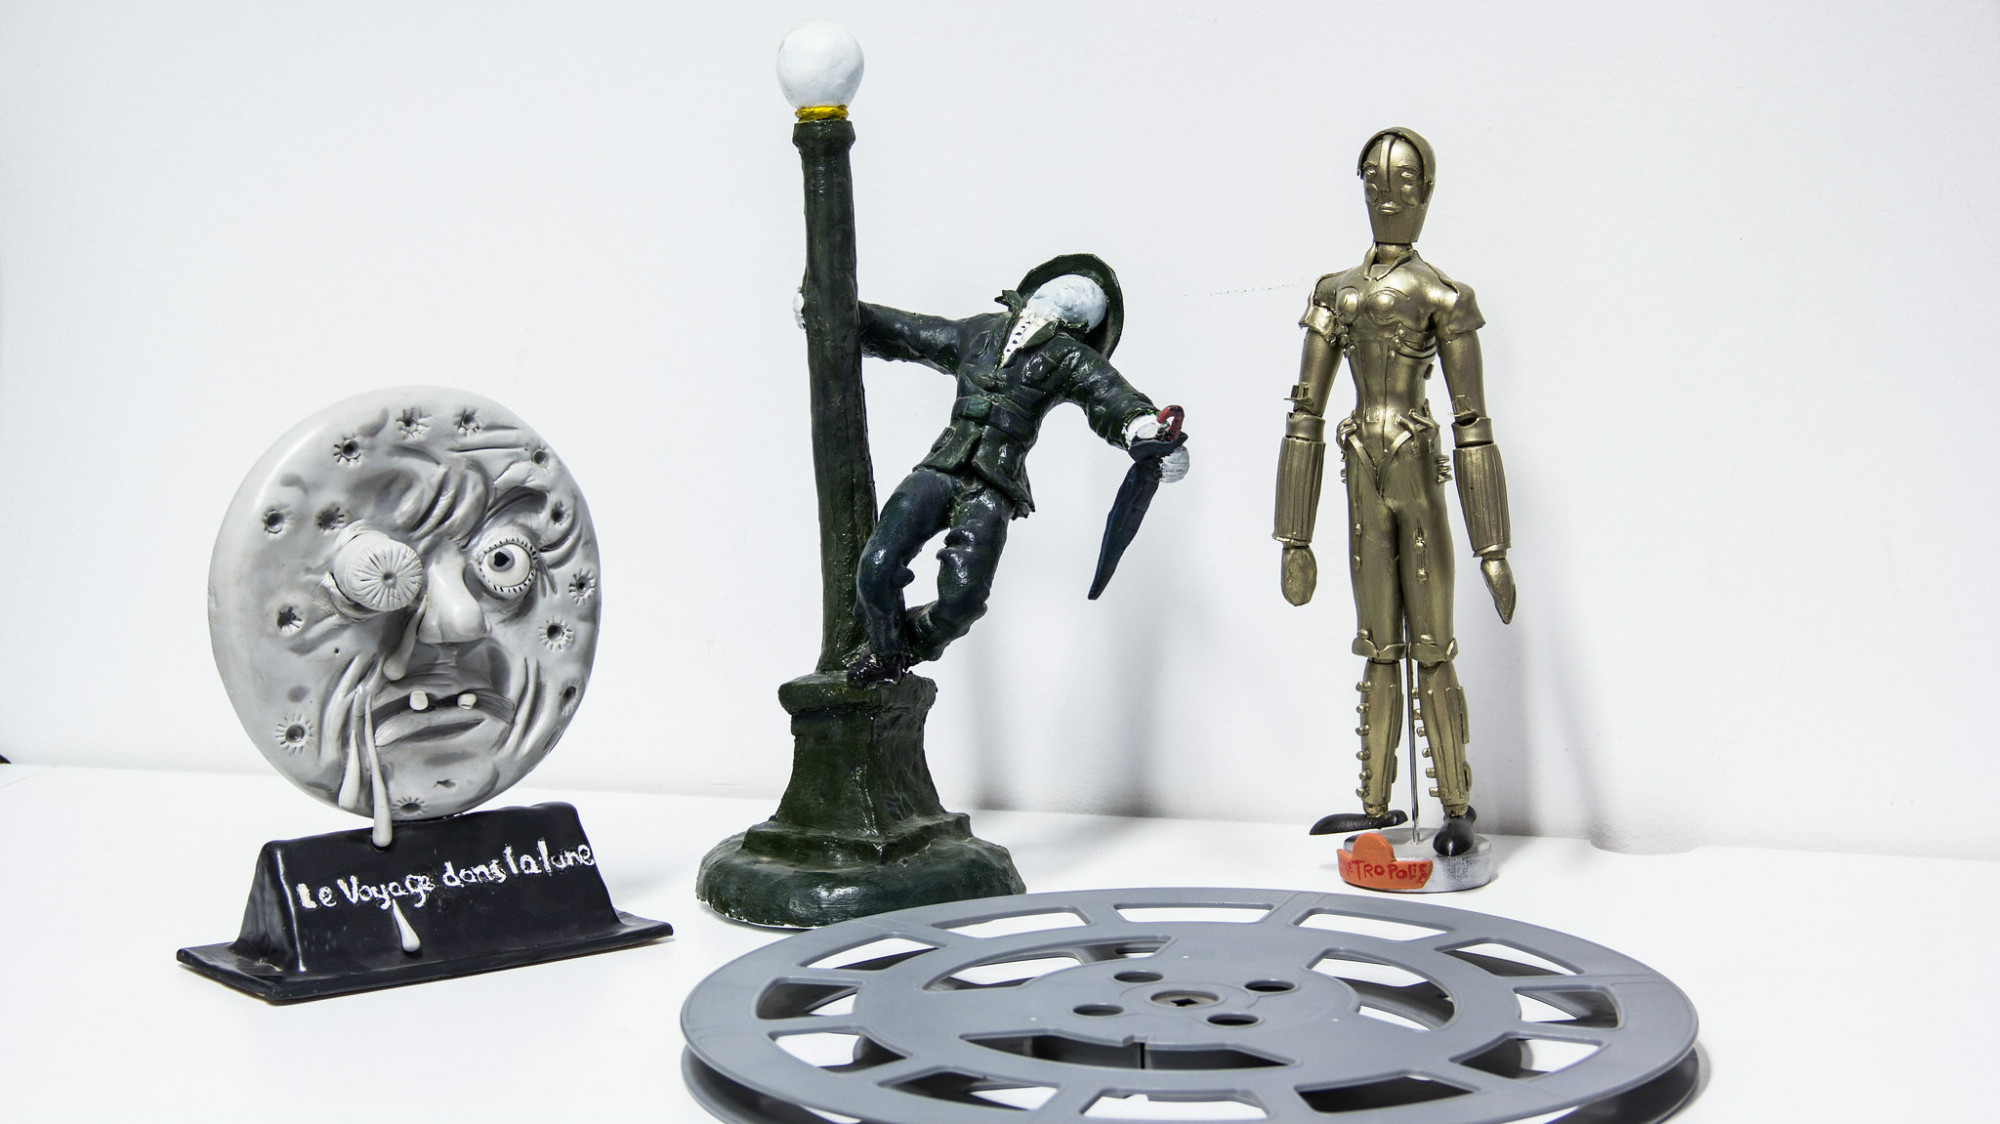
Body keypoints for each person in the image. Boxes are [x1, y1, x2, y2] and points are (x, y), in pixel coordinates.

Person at [1274, 129, 1515, 856]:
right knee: (1378, 645)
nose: (1388, 197)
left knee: (1432, 645)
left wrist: (1492, 546)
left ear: (1427, 192)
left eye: (1404, 184)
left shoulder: (1443, 295)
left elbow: (1473, 424)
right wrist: (1294, 534)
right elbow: (1305, 414)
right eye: (1375, 183)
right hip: (1362, 478)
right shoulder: (1334, 294)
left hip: (1416, 476)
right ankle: (1375, 806)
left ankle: (1456, 805)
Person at [841, 253, 1189, 685]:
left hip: (994, 483)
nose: (1072, 292)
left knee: (964, 600)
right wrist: (843, 316)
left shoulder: (1071, 357)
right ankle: (885, 657)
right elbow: (911, 332)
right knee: (876, 566)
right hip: (940, 466)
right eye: (1063, 285)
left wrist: (1144, 428)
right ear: (1033, 291)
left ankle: (901, 649)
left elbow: (1108, 394)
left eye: (1086, 297)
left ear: (1085, 324)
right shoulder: (979, 331)